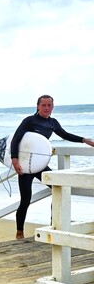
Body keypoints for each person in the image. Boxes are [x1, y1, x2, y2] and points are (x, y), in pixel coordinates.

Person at [10, 95, 94, 240]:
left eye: (49, 105)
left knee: (57, 187)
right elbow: (16, 139)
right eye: (44, 105)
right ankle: (19, 232)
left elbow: (65, 135)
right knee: (25, 199)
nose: (47, 108)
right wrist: (15, 159)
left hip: (40, 165)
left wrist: (84, 140)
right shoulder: (29, 121)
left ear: (52, 107)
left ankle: (53, 223)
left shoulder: (53, 123)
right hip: (26, 167)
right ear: (38, 106)